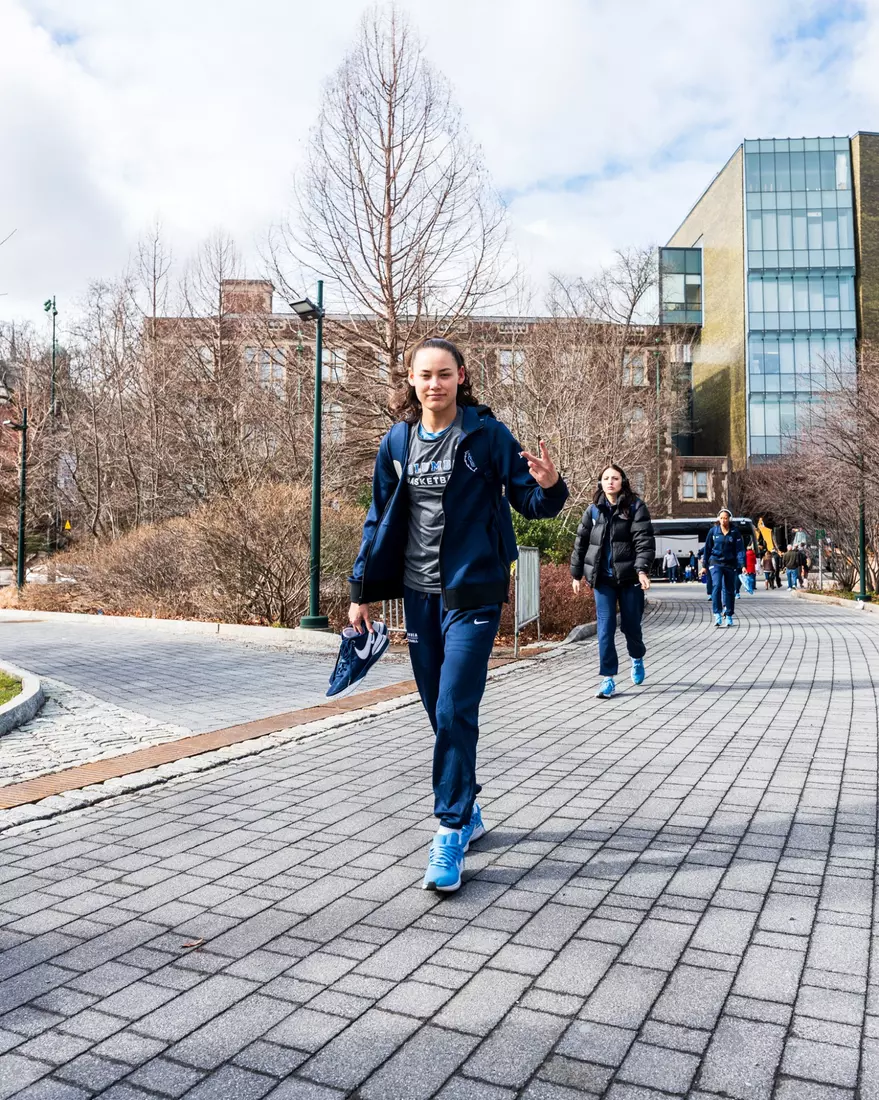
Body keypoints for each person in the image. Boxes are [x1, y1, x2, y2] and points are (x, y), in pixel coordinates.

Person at [347, 337, 567, 894]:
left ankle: (448, 831)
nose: (434, 384)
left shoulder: (486, 436)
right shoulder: (397, 442)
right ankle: (467, 807)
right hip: (419, 597)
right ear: (413, 381)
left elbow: (532, 502)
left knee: (452, 707)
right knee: (438, 713)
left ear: (462, 377)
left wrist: (549, 484)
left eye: (445, 374)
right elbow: (379, 517)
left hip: (473, 596)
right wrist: (360, 589)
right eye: (425, 375)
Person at [570, 465, 655, 699]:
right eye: (606, 478)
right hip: (603, 581)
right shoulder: (593, 511)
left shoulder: (636, 507)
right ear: (600, 482)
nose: (610, 482)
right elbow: (581, 543)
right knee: (605, 629)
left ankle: (636, 658)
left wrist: (642, 571)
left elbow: (643, 541)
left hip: (629, 580)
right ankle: (608, 679)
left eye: (615, 478)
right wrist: (576, 574)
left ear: (622, 481)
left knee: (631, 627)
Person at [703, 507, 745, 627]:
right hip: (715, 562)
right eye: (721, 518)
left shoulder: (735, 532)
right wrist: (704, 566)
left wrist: (742, 565)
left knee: (729, 589)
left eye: (725, 518)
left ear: (729, 519)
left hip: (730, 563)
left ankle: (729, 614)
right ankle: (717, 613)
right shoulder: (713, 531)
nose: (723, 520)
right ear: (718, 519)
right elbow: (707, 549)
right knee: (717, 585)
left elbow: (740, 550)